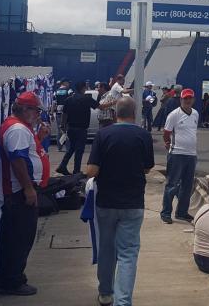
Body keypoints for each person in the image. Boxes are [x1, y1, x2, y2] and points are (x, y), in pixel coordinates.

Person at [86, 97, 155, 306]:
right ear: (135, 114)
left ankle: (106, 293)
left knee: (107, 248)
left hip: (106, 202)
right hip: (133, 203)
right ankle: (123, 301)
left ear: (116, 113)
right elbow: (147, 167)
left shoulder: (103, 134)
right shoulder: (143, 135)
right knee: (127, 253)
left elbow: (92, 170)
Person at [0, 92, 51, 296]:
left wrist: (41, 137)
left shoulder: (20, 128)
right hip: (19, 192)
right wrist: (28, 188)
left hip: (19, 191)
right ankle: (12, 280)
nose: (37, 115)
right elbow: (17, 159)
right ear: (26, 110)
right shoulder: (17, 129)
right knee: (19, 238)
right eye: (36, 110)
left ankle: (10, 276)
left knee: (16, 236)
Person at [160, 88, 199, 224]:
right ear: (181, 100)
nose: (188, 101)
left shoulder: (195, 114)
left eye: (190, 98)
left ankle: (182, 212)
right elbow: (166, 133)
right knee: (172, 184)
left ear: (193, 99)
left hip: (191, 155)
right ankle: (165, 213)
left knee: (187, 186)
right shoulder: (174, 115)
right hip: (177, 154)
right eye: (185, 98)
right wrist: (167, 143)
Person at [55, 81, 100, 175]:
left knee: (72, 148)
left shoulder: (68, 99)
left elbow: (65, 114)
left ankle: (62, 166)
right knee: (79, 150)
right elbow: (99, 106)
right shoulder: (87, 99)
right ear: (83, 88)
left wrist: (63, 126)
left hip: (71, 128)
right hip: (81, 129)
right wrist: (113, 102)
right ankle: (76, 171)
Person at [52, 79, 71, 151]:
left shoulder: (56, 92)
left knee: (59, 130)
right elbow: (71, 101)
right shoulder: (69, 91)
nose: (69, 84)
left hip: (58, 113)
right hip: (67, 113)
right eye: (68, 82)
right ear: (64, 83)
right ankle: (68, 148)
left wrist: (51, 113)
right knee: (67, 130)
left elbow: (54, 103)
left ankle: (59, 147)